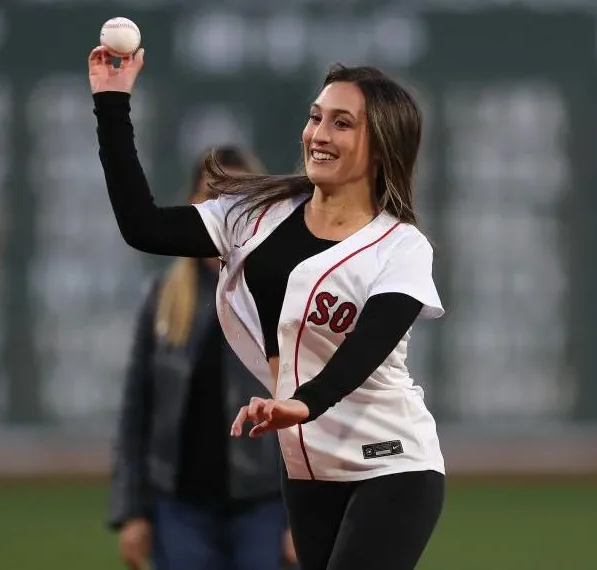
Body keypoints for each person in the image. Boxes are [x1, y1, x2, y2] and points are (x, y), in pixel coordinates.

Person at [88, 46, 446, 570]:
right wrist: (112, 104)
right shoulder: (256, 216)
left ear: (381, 146)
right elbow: (142, 226)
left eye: (341, 123)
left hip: (391, 461)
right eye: (315, 117)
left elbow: (372, 342)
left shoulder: (401, 247)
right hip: (305, 468)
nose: (318, 134)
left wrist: (304, 402)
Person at [108, 146, 297, 570]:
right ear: (192, 206)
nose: (225, 209)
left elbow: (312, 410)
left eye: (239, 195)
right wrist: (133, 511)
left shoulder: (286, 294)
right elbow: (136, 412)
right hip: (180, 507)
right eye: (212, 195)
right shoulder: (163, 299)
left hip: (264, 504)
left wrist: (303, 518)